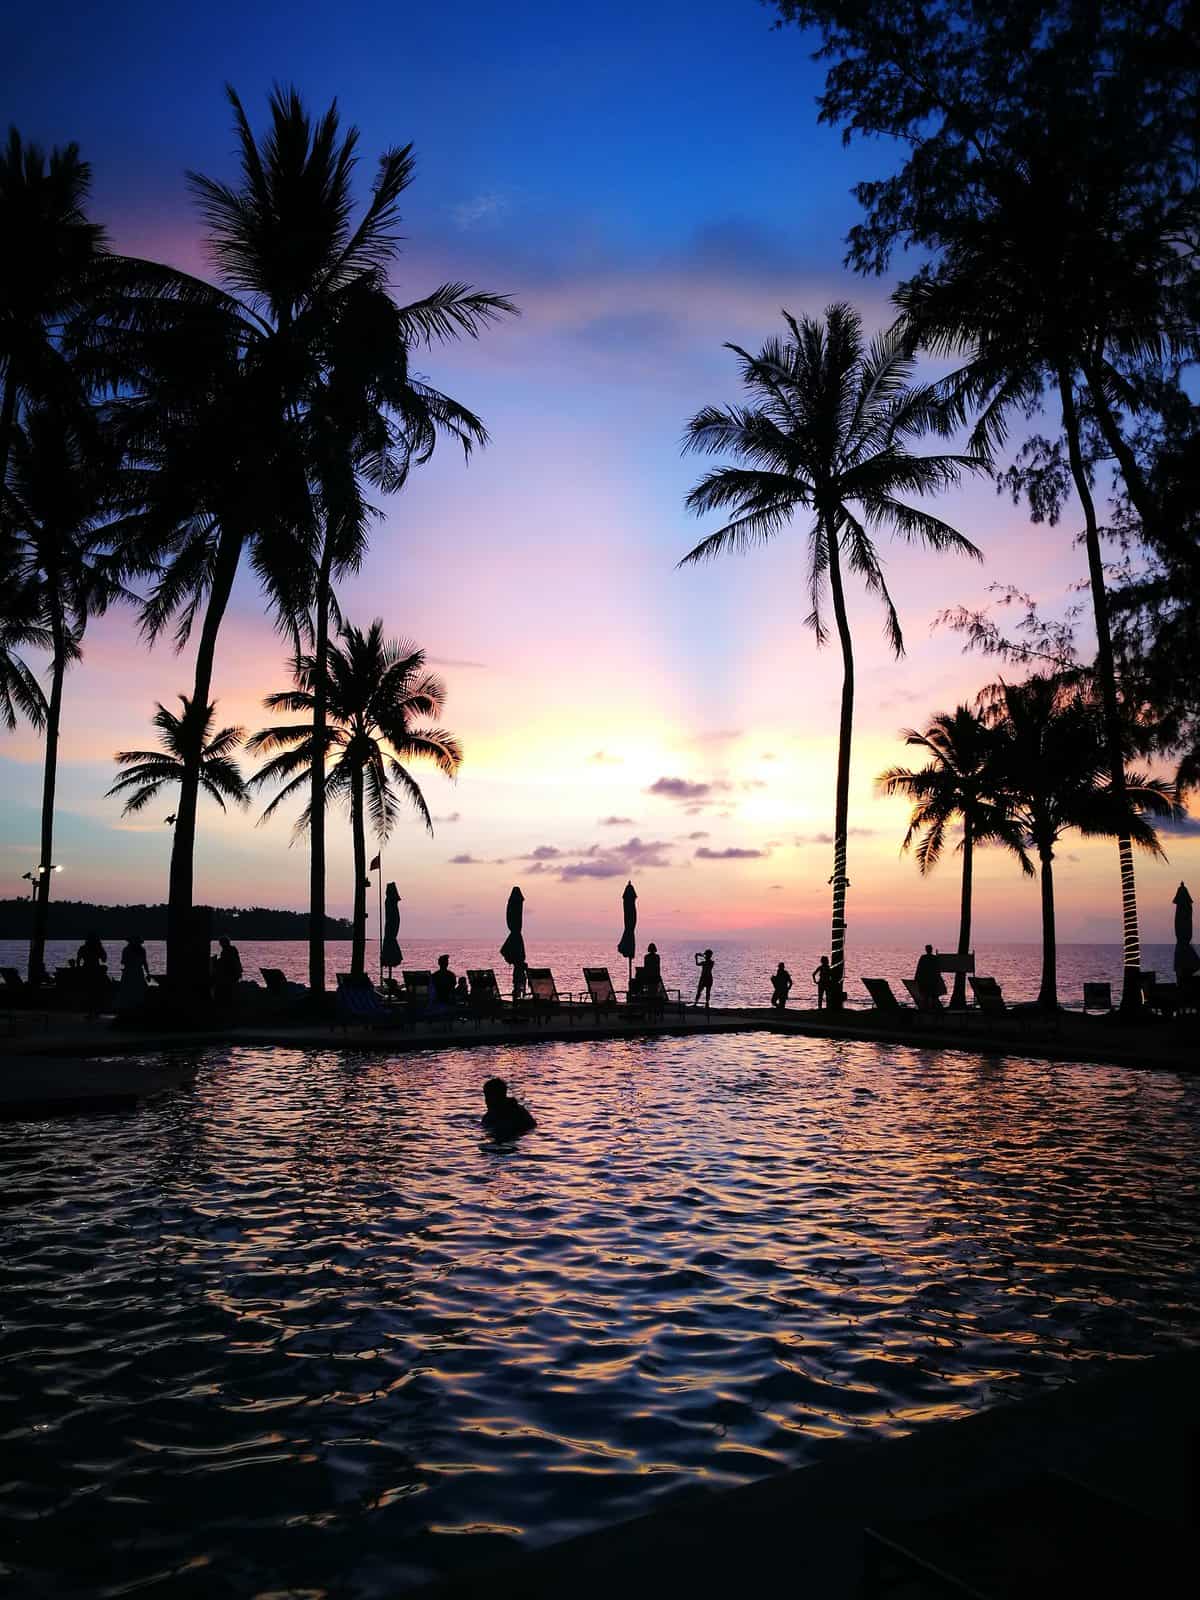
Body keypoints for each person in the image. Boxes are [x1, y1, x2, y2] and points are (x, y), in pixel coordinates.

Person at [76, 931, 109, 1018]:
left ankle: (90, 1011)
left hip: (86, 970)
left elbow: (78, 960)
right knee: (96, 991)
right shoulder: (98, 948)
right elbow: (104, 960)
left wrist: (79, 969)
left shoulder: (83, 948)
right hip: (96, 970)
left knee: (89, 991)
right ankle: (95, 1010)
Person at [116, 936, 150, 1014]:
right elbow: (145, 963)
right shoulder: (142, 950)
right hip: (138, 972)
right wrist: (148, 973)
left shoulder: (126, 950)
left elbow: (123, 961)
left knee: (127, 991)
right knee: (139, 991)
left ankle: (127, 1009)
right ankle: (138, 1009)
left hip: (128, 972)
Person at [214, 936, 243, 1005]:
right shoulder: (232, 949)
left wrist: (216, 962)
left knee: (226, 986)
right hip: (235, 972)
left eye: (221, 943)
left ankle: (226, 1001)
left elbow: (226, 961)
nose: (220, 944)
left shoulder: (227, 950)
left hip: (232, 973)